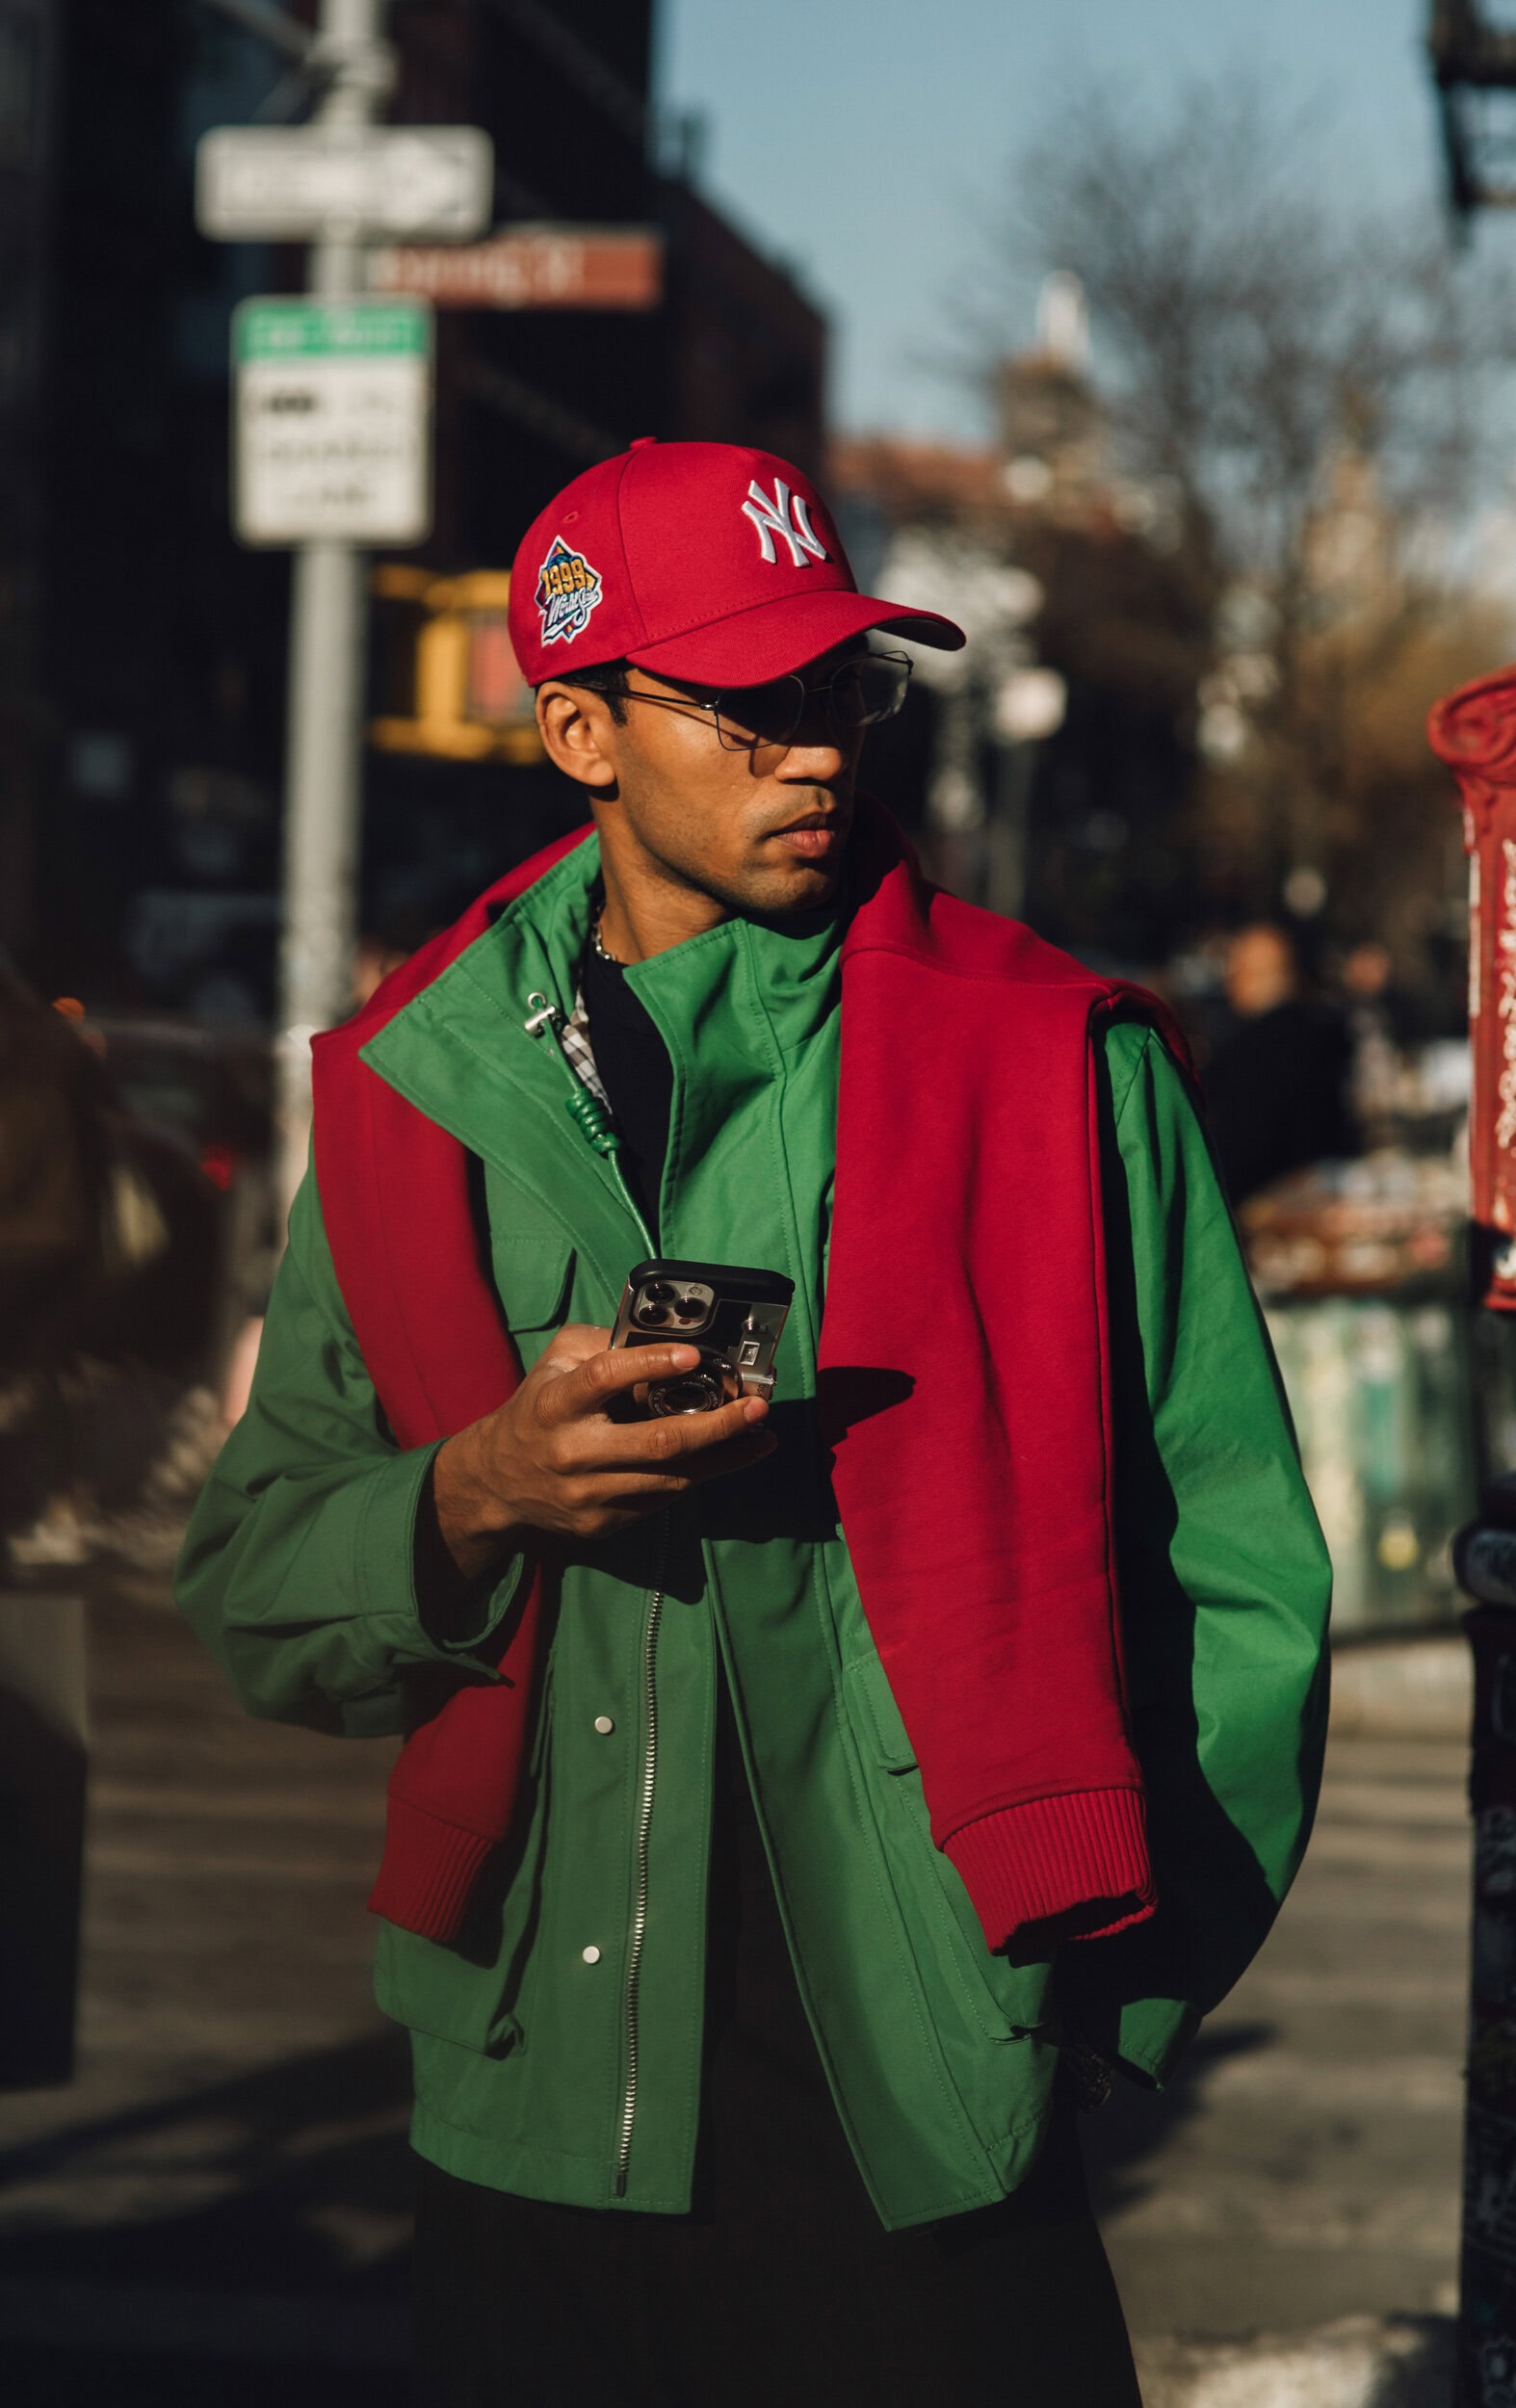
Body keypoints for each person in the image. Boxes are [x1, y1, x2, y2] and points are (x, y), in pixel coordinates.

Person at [176, 440, 1330, 2408]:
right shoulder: (412, 1083)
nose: (817, 750)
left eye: (844, 691)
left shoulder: (1053, 1054)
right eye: (751, 700)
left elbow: (1235, 1574)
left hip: (927, 2099)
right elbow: (250, 1578)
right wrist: (471, 1493)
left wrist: (1084, 1999)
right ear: (580, 728)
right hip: (531, 2088)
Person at [1202, 921, 1359, 1206]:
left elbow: (1238, 1145)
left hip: (1265, 1204)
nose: (1229, 980)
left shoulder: (1247, 1049)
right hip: (1323, 1193)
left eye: (1237, 969)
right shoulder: (1325, 1034)